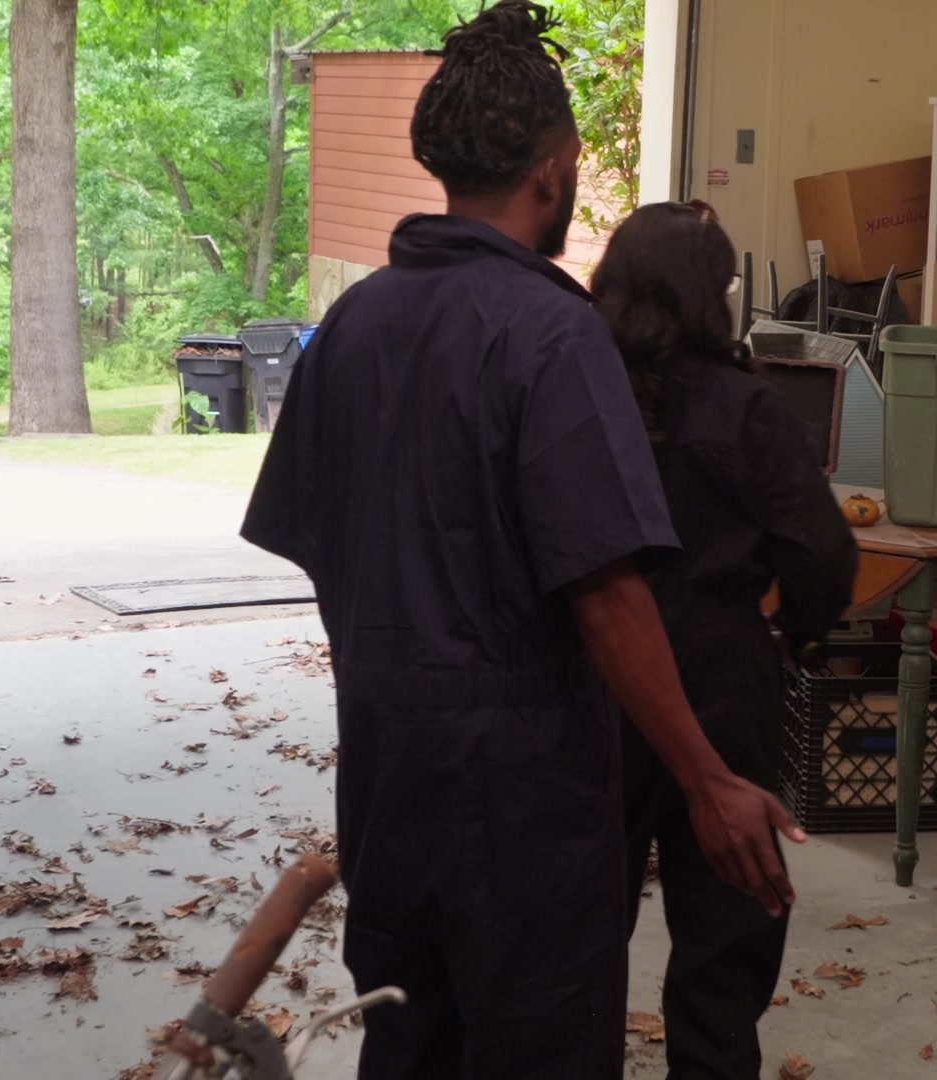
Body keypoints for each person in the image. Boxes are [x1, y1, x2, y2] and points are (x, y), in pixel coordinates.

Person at [239, 5, 802, 1077]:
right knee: (536, 1042)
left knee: (408, 1038)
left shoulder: (355, 324)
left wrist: (395, 680)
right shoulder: (550, 332)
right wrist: (704, 777)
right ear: (552, 170)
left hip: (388, 775)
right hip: (521, 801)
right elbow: (607, 590)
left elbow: (319, 547)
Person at [591, 201, 858, 1079]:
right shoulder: (749, 407)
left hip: (596, 679)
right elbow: (821, 551)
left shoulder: (579, 396)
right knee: (726, 927)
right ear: (715, 294)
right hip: (720, 678)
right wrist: (795, 635)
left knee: (581, 931)